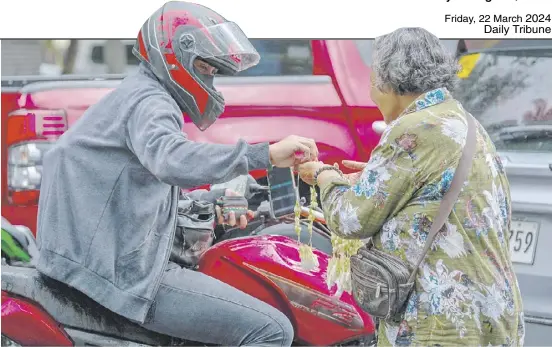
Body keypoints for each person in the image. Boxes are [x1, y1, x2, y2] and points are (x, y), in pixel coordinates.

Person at [36, 2, 319, 346]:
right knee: (272, 329)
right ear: (176, 56)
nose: (208, 80)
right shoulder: (150, 101)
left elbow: (144, 186)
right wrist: (265, 154)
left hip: (109, 256)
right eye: (204, 69)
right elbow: (171, 160)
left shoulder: (140, 92)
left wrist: (209, 204)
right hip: (122, 273)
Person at [299, 28, 525, 346]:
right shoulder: (464, 122)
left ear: (390, 80)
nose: (371, 91)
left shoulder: (413, 129)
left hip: (442, 321)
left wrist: (324, 176)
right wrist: (380, 180)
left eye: (374, 79)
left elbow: (350, 219)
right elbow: (435, 190)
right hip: (492, 311)